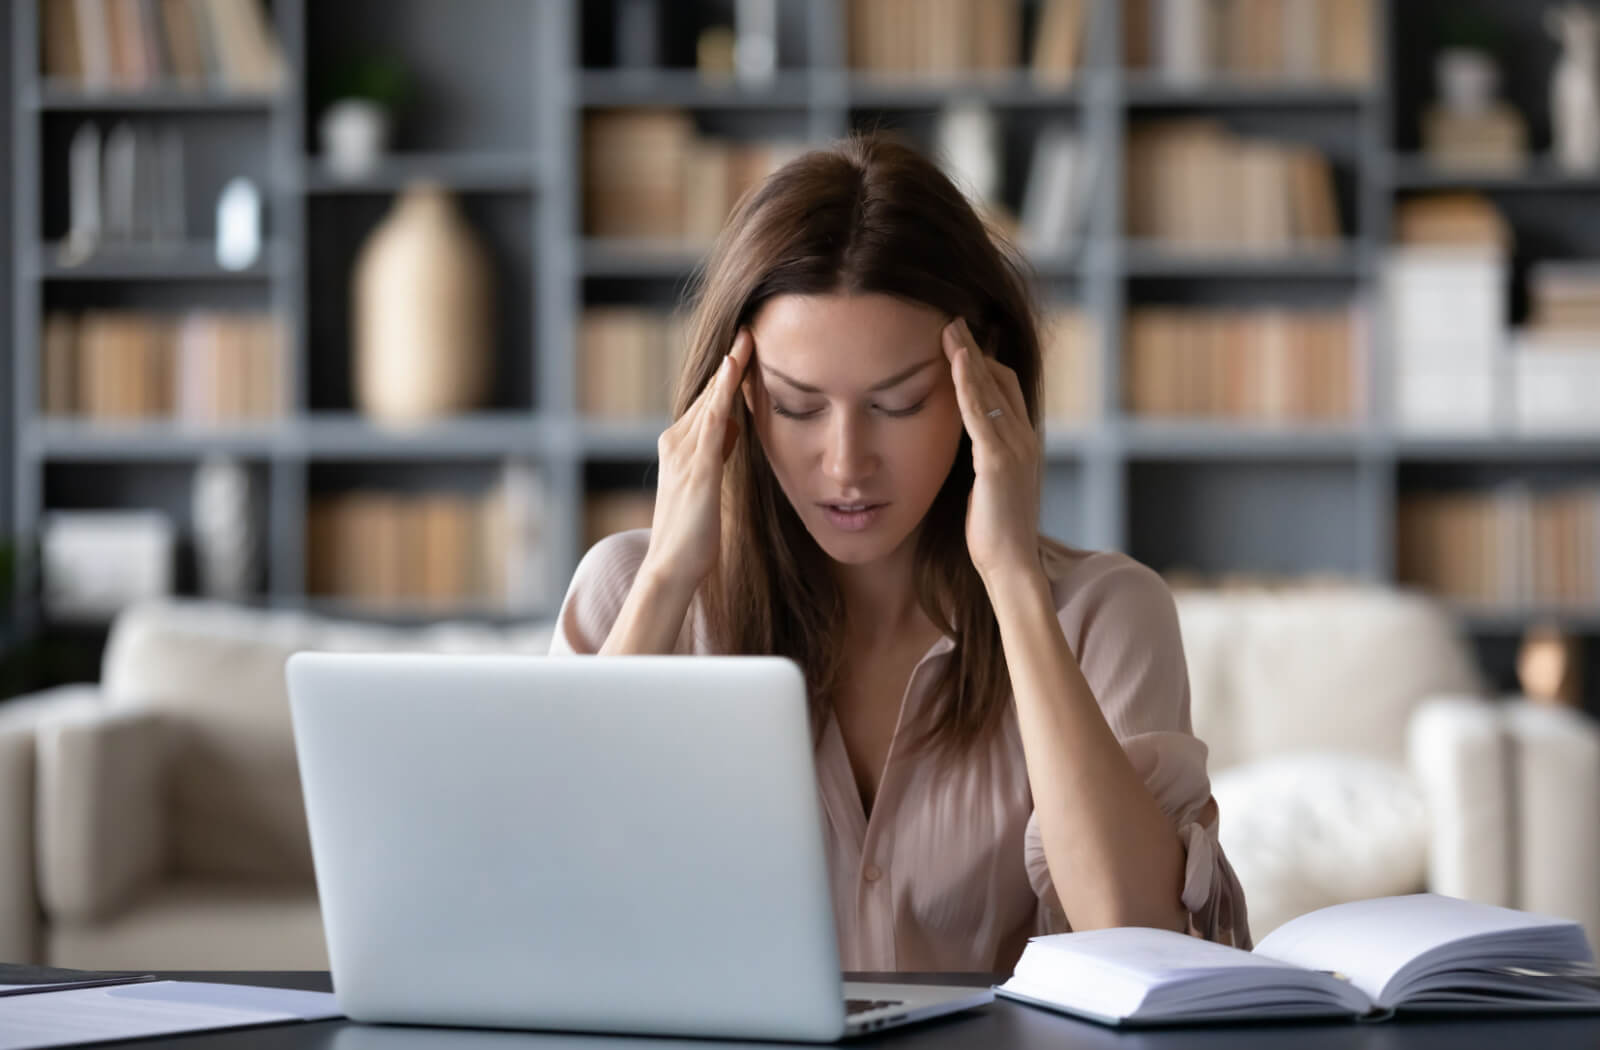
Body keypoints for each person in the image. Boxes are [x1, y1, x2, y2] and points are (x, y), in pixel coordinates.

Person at [550, 132, 1250, 971]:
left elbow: (1137, 945)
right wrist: (668, 579)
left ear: (982, 385)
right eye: (798, 407)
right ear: (731, 400)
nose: (846, 466)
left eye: (898, 402)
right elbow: (549, 918)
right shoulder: (625, 593)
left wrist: (1014, 582)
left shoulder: (1107, 614)